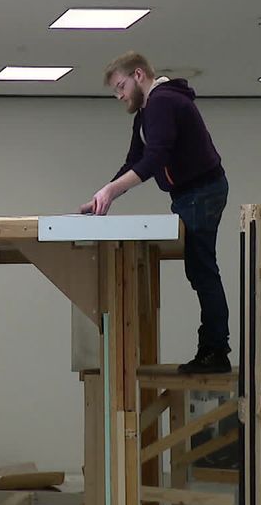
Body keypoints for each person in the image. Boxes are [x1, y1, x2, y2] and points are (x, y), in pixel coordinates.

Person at [81, 52, 230, 374]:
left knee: (202, 270)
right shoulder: (147, 113)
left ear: (138, 75)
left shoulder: (162, 103)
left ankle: (215, 351)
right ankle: (214, 348)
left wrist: (111, 192)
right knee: (201, 269)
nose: (119, 96)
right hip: (191, 193)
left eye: (121, 87)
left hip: (202, 191)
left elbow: (154, 161)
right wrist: (103, 195)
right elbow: (135, 160)